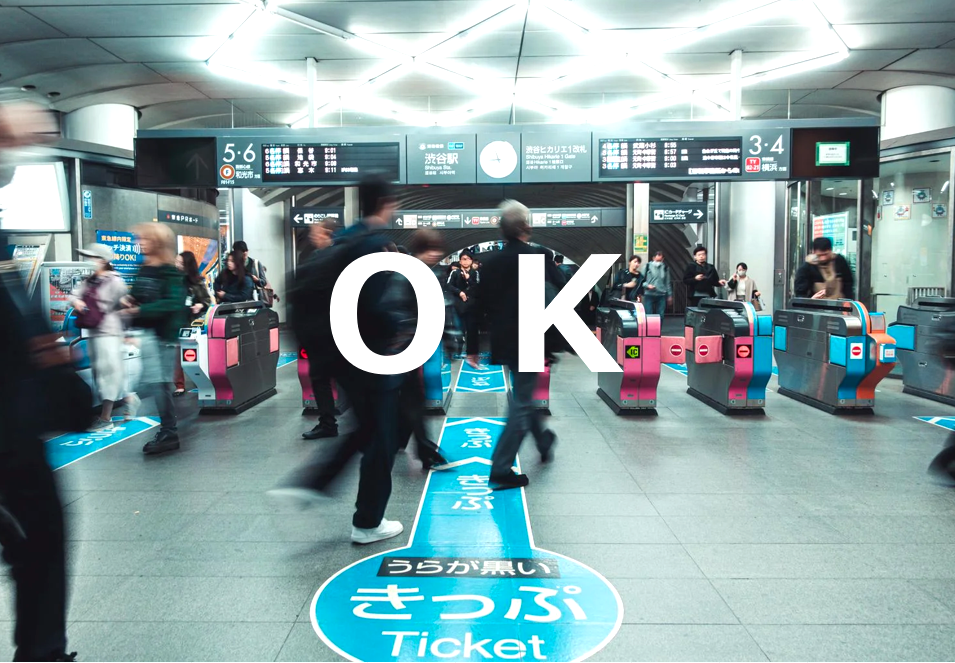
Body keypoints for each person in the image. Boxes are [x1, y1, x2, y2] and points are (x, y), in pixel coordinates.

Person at [270, 176, 410, 545]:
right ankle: (367, 522)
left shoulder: (342, 242)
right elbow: (374, 306)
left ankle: (312, 483)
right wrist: (397, 328)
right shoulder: (374, 246)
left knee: (365, 428)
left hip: (336, 354)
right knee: (381, 438)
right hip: (369, 355)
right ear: (387, 203)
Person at [0, 100, 82, 663]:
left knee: (42, 540)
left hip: (20, 437)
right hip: (8, 437)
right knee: (38, 539)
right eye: (11, 141)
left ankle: (43, 651)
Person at [478, 200, 560, 490]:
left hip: (504, 340)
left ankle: (543, 440)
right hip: (530, 338)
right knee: (523, 401)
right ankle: (500, 468)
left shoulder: (491, 263)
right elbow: (556, 299)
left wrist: (473, 345)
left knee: (523, 394)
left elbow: (478, 304)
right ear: (526, 226)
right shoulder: (537, 257)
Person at [123, 223, 187, 455]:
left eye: (145, 239)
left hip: (163, 336)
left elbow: (173, 303)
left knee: (158, 383)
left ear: (158, 242)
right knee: (154, 383)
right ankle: (168, 430)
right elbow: (139, 295)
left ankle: (169, 431)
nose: (140, 243)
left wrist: (139, 310)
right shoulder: (144, 269)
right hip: (148, 334)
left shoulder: (169, 271)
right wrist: (129, 301)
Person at [394, 229, 450, 470]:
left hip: (413, 345)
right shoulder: (408, 274)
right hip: (405, 348)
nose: (435, 254)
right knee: (413, 399)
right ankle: (425, 452)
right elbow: (399, 310)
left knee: (410, 399)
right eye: (431, 249)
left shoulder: (425, 272)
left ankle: (399, 441)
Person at [69, 243, 129, 430]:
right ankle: (130, 400)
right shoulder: (89, 280)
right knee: (100, 374)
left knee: (107, 374)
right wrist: (77, 302)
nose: (89, 261)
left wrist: (126, 332)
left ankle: (105, 417)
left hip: (109, 332)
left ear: (102, 260)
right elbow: (72, 296)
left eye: (92, 257)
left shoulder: (115, 282)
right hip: (94, 332)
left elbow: (126, 305)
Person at [301, 219, 340, 441]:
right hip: (336, 328)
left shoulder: (321, 259)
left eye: (315, 232)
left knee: (321, 377)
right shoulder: (343, 256)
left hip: (326, 329)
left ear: (326, 232)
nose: (312, 237)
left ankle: (328, 423)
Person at [173, 251, 213, 396]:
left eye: (180, 263)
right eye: (176, 261)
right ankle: (179, 385)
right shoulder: (173, 279)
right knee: (176, 355)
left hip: (190, 323)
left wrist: (200, 305)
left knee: (193, 354)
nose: (177, 265)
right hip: (175, 321)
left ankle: (200, 379)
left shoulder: (197, 281)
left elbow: (207, 300)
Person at [446, 250, 481, 367]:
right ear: (460, 261)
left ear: (471, 261)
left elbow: (477, 287)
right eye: (463, 259)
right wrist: (459, 292)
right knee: (458, 330)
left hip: (471, 306)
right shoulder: (455, 272)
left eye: (468, 259)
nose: (465, 261)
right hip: (458, 305)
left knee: (471, 331)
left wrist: (468, 279)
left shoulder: (475, 273)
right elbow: (449, 285)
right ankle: (457, 352)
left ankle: (470, 354)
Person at [232, 240, 272, 306]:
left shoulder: (255, 263)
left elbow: (263, 282)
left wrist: (257, 280)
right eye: (241, 254)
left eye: (245, 253)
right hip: (238, 300)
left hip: (254, 299)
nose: (244, 256)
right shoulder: (233, 265)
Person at [642, 250, 672, 316]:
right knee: (648, 314)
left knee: (661, 315)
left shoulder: (665, 268)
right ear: (653, 258)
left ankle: (659, 323)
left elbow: (667, 283)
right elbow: (641, 280)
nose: (658, 262)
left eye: (660, 260)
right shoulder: (647, 266)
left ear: (663, 259)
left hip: (661, 294)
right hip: (649, 294)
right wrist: (647, 285)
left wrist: (669, 295)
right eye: (657, 260)